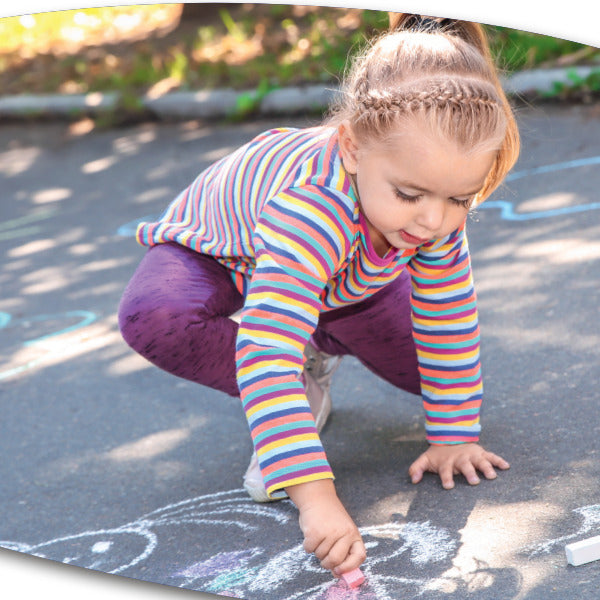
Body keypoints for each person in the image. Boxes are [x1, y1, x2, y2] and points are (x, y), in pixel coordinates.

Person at [118, 13, 520, 578]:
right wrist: (317, 499)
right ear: (352, 148)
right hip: (221, 253)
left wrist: (454, 436)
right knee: (157, 317)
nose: (433, 219)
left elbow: (448, 317)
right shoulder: (315, 208)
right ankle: (304, 375)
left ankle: (319, 329)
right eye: (409, 194)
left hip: (343, 277)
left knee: (421, 372)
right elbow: (264, 351)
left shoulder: (432, 212)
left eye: (460, 198)